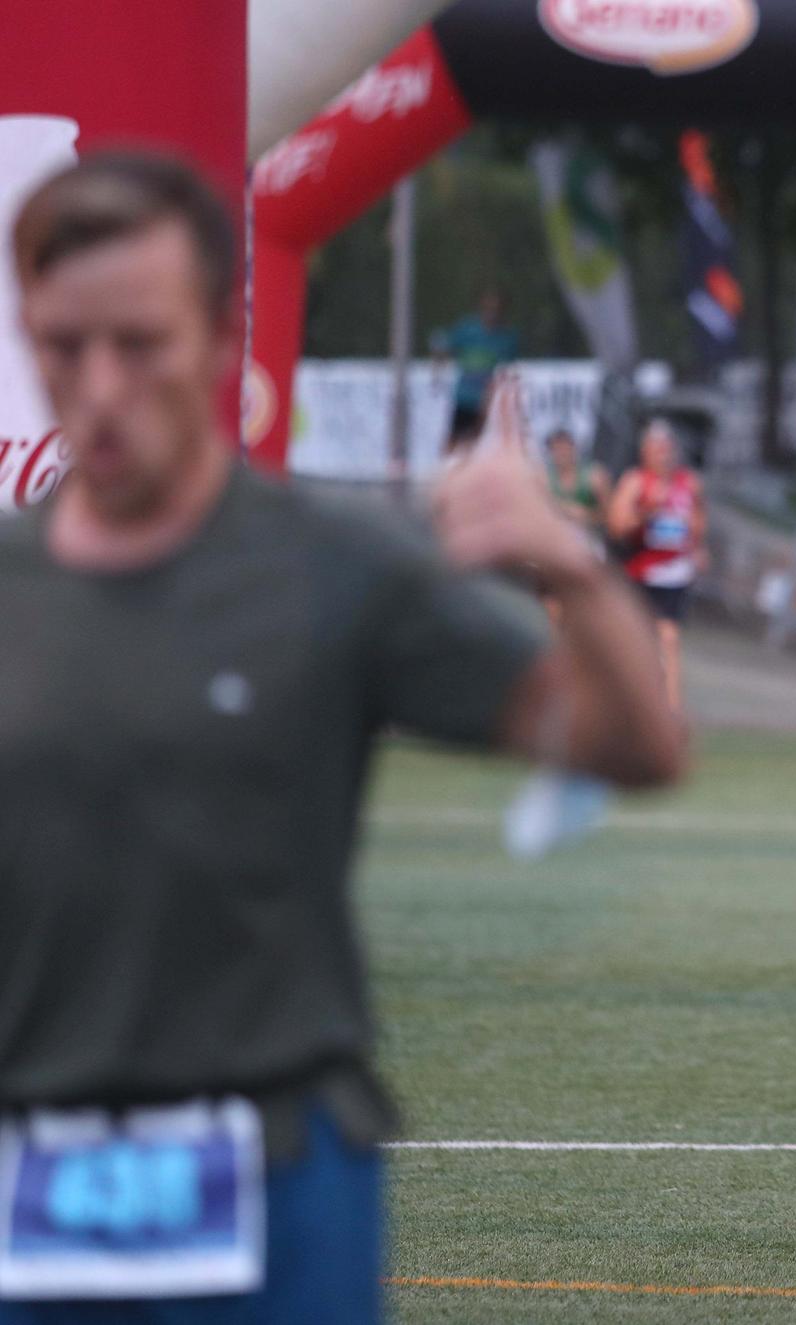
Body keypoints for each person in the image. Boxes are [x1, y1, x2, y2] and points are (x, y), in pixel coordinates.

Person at [0, 151, 684, 1323]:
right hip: (32, 1166)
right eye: (64, 347)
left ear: (220, 339)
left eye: (141, 342)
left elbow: (631, 744)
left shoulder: (335, 561)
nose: (100, 385)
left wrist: (565, 556)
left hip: (279, 1162)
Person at [608, 417, 706, 712]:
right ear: (645, 452)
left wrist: (698, 546)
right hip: (639, 571)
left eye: (668, 447)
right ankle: (626, 702)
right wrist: (647, 511)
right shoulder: (635, 482)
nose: (664, 453)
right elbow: (616, 527)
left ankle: (672, 710)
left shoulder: (688, 482)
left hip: (674, 573)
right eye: (657, 448)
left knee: (669, 637)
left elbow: (699, 516)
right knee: (635, 640)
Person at [432, 287, 518, 450]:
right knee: (454, 439)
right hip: (465, 396)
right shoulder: (467, 328)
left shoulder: (507, 336)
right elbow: (446, 349)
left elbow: (508, 370)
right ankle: (449, 471)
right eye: (488, 307)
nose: (491, 312)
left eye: (496, 307)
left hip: (490, 401)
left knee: (477, 443)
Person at [545, 426, 609, 542]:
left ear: (573, 448)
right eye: (556, 449)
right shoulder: (543, 479)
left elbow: (611, 517)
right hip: (555, 540)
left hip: (590, 538)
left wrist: (588, 516)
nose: (561, 453)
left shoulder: (594, 476)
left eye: (564, 448)